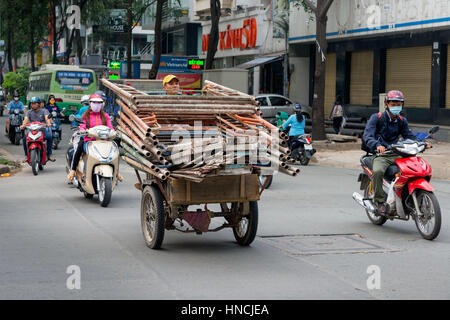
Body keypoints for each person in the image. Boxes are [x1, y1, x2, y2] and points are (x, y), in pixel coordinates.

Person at [362, 90, 430, 214]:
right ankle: (380, 201)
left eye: (398, 104)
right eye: (393, 104)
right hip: (382, 154)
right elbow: (367, 136)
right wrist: (377, 145)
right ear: (386, 104)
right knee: (377, 172)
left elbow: (409, 136)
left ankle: (407, 196)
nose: (396, 107)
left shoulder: (402, 120)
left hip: (399, 153)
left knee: (414, 170)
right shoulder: (376, 118)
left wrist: (423, 143)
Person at [67, 94, 123, 183]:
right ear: (90, 103)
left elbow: (110, 127)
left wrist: (114, 132)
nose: (96, 105)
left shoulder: (105, 116)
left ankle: (116, 171)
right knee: (79, 150)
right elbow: (82, 125)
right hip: (89, 140)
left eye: (99, 102)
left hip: (104, 141)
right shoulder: (86, 116)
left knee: (115, 150)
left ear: (102, 104)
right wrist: (82, 130)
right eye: (94, 102)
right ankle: (73, 171)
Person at [20, 97, 55, 163]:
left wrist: (48, 123)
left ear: (38, 104)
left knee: (49, 137)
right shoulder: (29, 112)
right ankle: (26, 156)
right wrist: (23, 125)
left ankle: (49, 154)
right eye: (32, 104)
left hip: (42, 130)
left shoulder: (44, 111)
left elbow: (47, 118)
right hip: (31, 131)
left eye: (35, 103)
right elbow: (26, 119)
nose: (33, 105)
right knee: (24, 139)